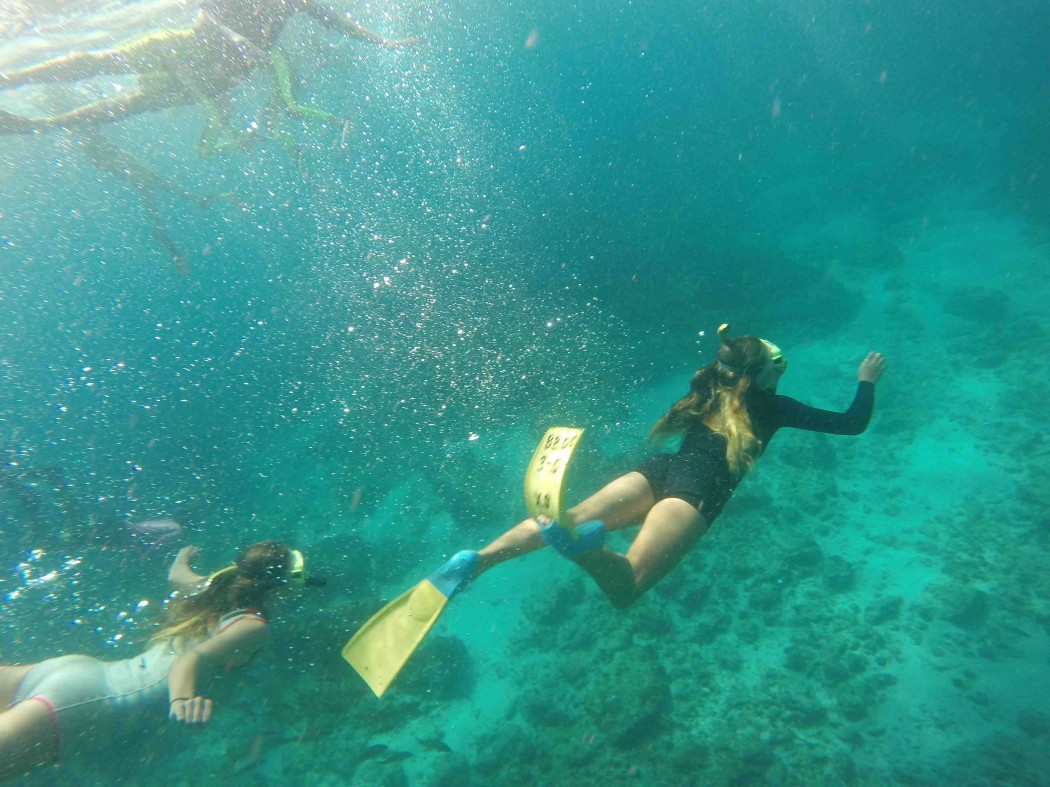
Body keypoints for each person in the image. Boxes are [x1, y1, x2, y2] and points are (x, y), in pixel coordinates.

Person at [436, 324, 886, 609]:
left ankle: (476, 561)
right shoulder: (777, 407)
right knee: (627, 587)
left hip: (659, 470)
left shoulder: (706, 385)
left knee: (565, 518)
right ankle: (587, 551)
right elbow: (852, 423)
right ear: (765, 376)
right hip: (698, 489)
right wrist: (865, 382)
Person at [0, 540, 305, 782]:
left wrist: (183, 556)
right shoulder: (254, 625)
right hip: (90, 706)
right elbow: (190, 658)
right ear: (281, 586)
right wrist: (182, 700)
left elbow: (176, 575)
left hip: (80, 672)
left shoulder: (216, 586)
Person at [0, 0, 415, 138]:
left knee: (131, 103)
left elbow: (335, 20)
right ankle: (11, 78)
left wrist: (382, 40)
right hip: (189, 48)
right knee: (101, 63)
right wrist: (230, 37)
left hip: (220, 75)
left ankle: (39, 126)